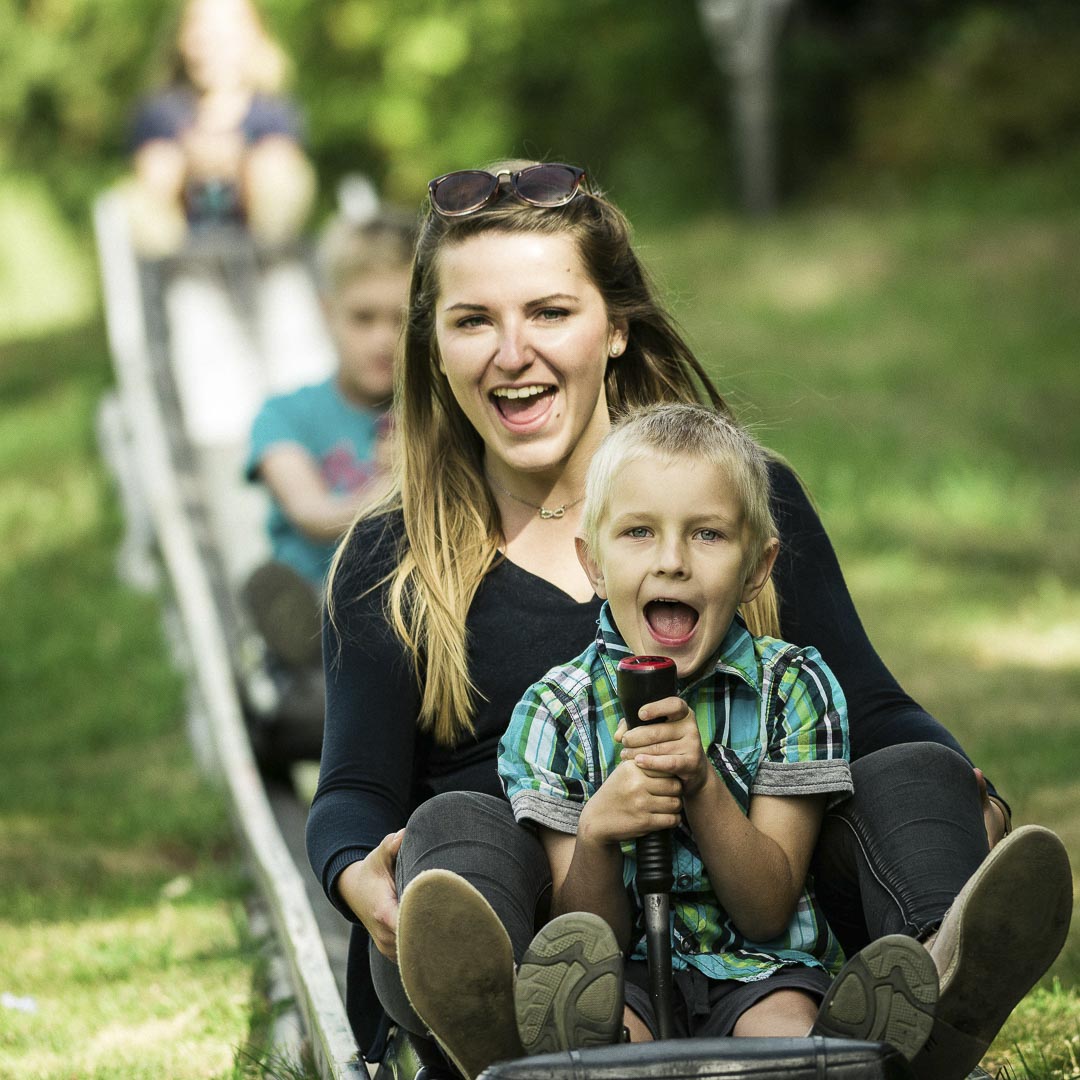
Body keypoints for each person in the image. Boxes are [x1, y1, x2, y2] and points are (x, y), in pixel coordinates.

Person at [305, 162, 1072, 1080]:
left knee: (914, 771)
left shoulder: (738, 504)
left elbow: (868, 705)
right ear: (431, 344)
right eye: (474, 321)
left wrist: (957, 789)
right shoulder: (393, 557)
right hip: (534, 913)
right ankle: (517, 1034)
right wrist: (362, 877)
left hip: (752, 913)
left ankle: (940, 985)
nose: (513, 353)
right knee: (455, 826)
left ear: (616, 326)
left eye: (549, 312)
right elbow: (351, 789)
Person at [497, 401, 937, 1059]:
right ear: (593, 563)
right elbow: (588, 939)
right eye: (639, 532)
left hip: (760, 969)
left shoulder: (793, 688)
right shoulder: (553, 713)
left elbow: (766, 910)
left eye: (707, 534)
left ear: (758, 566)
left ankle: (847, 1051)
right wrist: (595, 836)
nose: (672, 561)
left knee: (784, 1033)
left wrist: (701, 784)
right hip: (627, 973)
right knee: (612, 1042)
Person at [242, 210, 414, 739]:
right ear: (327, 313)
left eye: (402, 320)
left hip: (405, 598)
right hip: (317, 584)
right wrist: (398, 485)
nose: (384, 340)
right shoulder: (286, 414)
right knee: (304, 601)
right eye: (363, 319)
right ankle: (297, 658)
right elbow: (311, 513)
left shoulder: (435, 413)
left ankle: (336, 680)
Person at [126, 0, 316, 256]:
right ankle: (172, 265)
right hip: (182, 245)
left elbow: (280, 161)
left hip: (256, 237)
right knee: (150, 177)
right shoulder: (161, 111)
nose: (212, 42)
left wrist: (233, 160)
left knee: (277, 168)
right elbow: (152, 172)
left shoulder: (272, 111)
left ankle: (270, 256)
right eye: (201, 29)